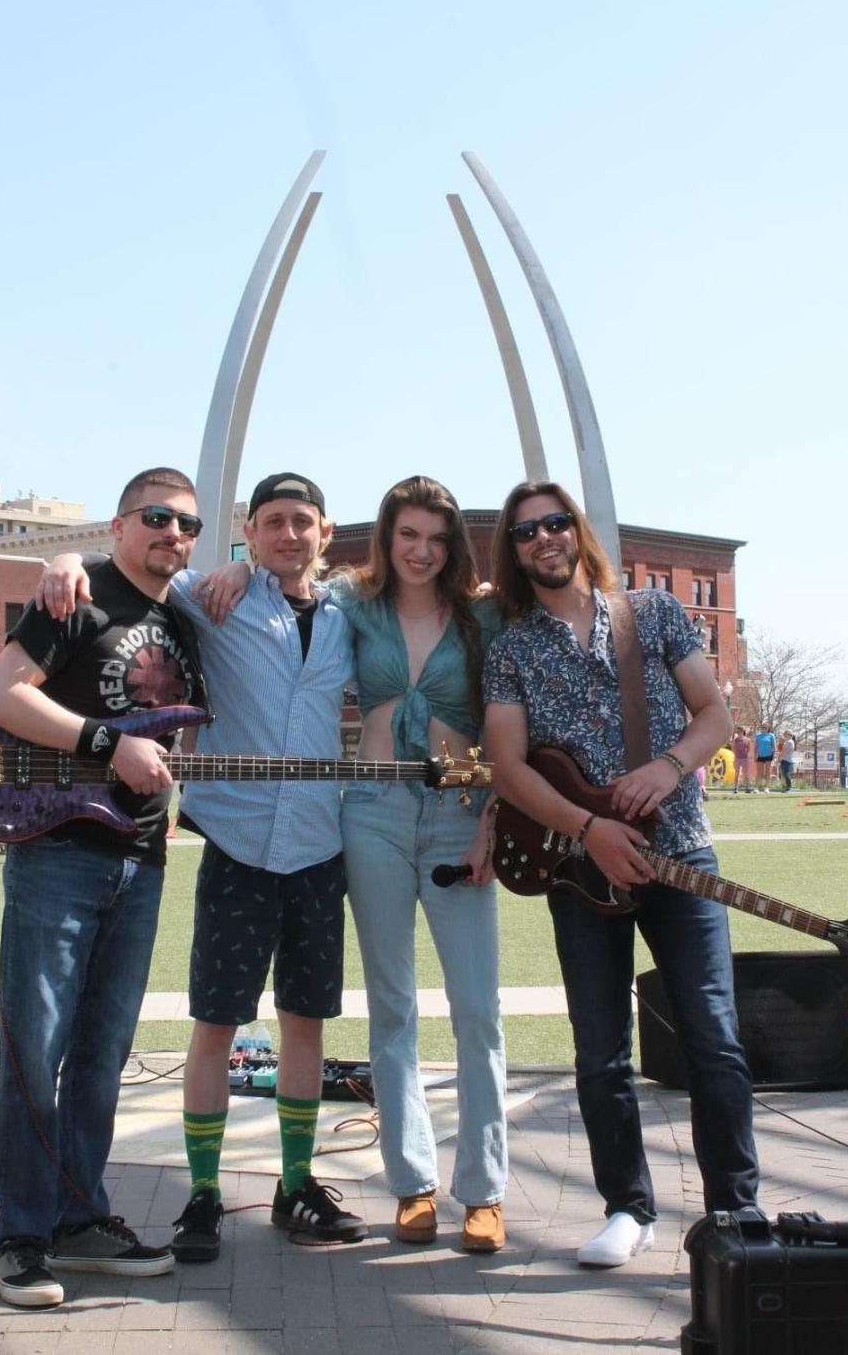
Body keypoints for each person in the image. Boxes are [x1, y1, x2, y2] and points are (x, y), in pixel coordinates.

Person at [38, 472, 367, 1263]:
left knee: (305, 1023)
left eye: (304, 523)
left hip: (321, 845)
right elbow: (134, 568)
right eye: (273, 523)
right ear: (248, 534)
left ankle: (295, 1185)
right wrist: (64, 558)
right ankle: (205, 1194)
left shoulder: (354, 615)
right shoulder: (210, 597)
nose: (290, 535)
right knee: (217, 1024)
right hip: (237, 841)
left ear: (325, 534)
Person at [199, 475, 508, 1252]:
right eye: (408, 535)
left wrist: (495, 821)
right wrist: (238, 564)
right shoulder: (354, 605)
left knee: (478, 1010)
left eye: (437, 538)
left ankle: (484, 1190)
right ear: (384, 538)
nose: (422, 551)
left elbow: (515, 724)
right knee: (392, 1009)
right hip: (368, 816)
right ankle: (412, 1183)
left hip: (459, 817)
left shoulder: (484, 613)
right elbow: (267, 580)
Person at [483, 480, 758, 1269]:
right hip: (580, 872)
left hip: (682, 855)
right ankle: (627, 1208)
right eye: (527, 530)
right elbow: (506, 767)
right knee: (600, 1050)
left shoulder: (657, 613)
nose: (545, 538)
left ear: (578, 532)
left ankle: (737, 1211)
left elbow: (714, 716)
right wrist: (589, 828)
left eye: (556, 523)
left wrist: (670, 768)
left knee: (713, 1037)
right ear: (514, 548)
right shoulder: (512, 649)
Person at [0, 467, 204, 1309]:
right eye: (156, 517)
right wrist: (108, 744)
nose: (172, 534)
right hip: (56, 851)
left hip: (141, 859)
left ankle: (80, 1216)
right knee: (36, 1049)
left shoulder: (181, 621)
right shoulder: (74, 596)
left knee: (103, 1055)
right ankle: (24, 1236)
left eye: (187, 523)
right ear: (119, 525)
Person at [754, 722, 776, 793]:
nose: (763, 728)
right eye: (762, 727)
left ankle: (767, 788)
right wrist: (755, 755)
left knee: (768, 772)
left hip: (769, 755)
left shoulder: (771, 735)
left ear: (768, 728)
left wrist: (774, 757)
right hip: (760, 755)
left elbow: (774, 746)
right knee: (759, 772)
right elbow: (756, 746)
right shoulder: (758, 736)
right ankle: (756, 788)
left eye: (765, 727)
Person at [732, 726, 752, 794]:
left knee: (745, 774)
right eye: (737, 731)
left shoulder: (747, 739)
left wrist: (747, 754)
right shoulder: (735, 740)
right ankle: (735, 788)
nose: (738, 732)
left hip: (745, 758)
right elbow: (733, 748)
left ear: (743, 731)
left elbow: (749, 748)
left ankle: (747, 788)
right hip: (737, 758)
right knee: (737, 773)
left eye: (739, 731)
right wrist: (735, 757)